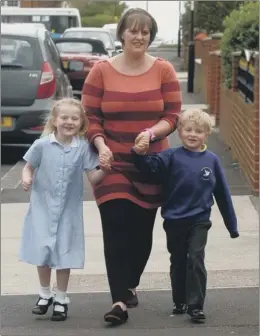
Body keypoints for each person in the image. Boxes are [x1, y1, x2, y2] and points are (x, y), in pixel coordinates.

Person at [81, 8, 182, 325]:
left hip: (150, 163)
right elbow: (90, 118)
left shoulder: (163, 71)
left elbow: (173, 115)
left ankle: (130, 282)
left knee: (141, 234)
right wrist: (100, 144)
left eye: (145, 32)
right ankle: (118, 302)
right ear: (121, 34)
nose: (139, 37)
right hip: (112, 163)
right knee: (116, 229)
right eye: (133, 31)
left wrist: (152, 134)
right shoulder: (101, 71)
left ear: (150, 36)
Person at [131, 109, 239, 323]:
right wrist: (138, 153)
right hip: (174, 220)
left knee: (195, 258)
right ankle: (179, 300)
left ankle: (196, 305)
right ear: (179, 132)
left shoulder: (212, 160)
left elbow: (223, 195)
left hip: (200, 219)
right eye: (188, 130)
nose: (192, 134)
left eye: (198, 131)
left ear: (206, 134)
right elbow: (149, 169)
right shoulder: (171, 156)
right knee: (178, 260)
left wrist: (231, 225)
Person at [20, 98, 110, 322]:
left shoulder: (82, 149)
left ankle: (60, 298)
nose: (69, 122)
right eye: (64, 117)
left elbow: (93, 177)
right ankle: (44, 293)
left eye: (74, 118)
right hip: (43, 207)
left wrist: (106, 170)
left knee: (64, 253)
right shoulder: (42, 145)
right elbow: (28, 166)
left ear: (81, 123)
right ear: (54, 120)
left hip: (68, 211)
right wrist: (27, 178)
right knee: (43, 250)